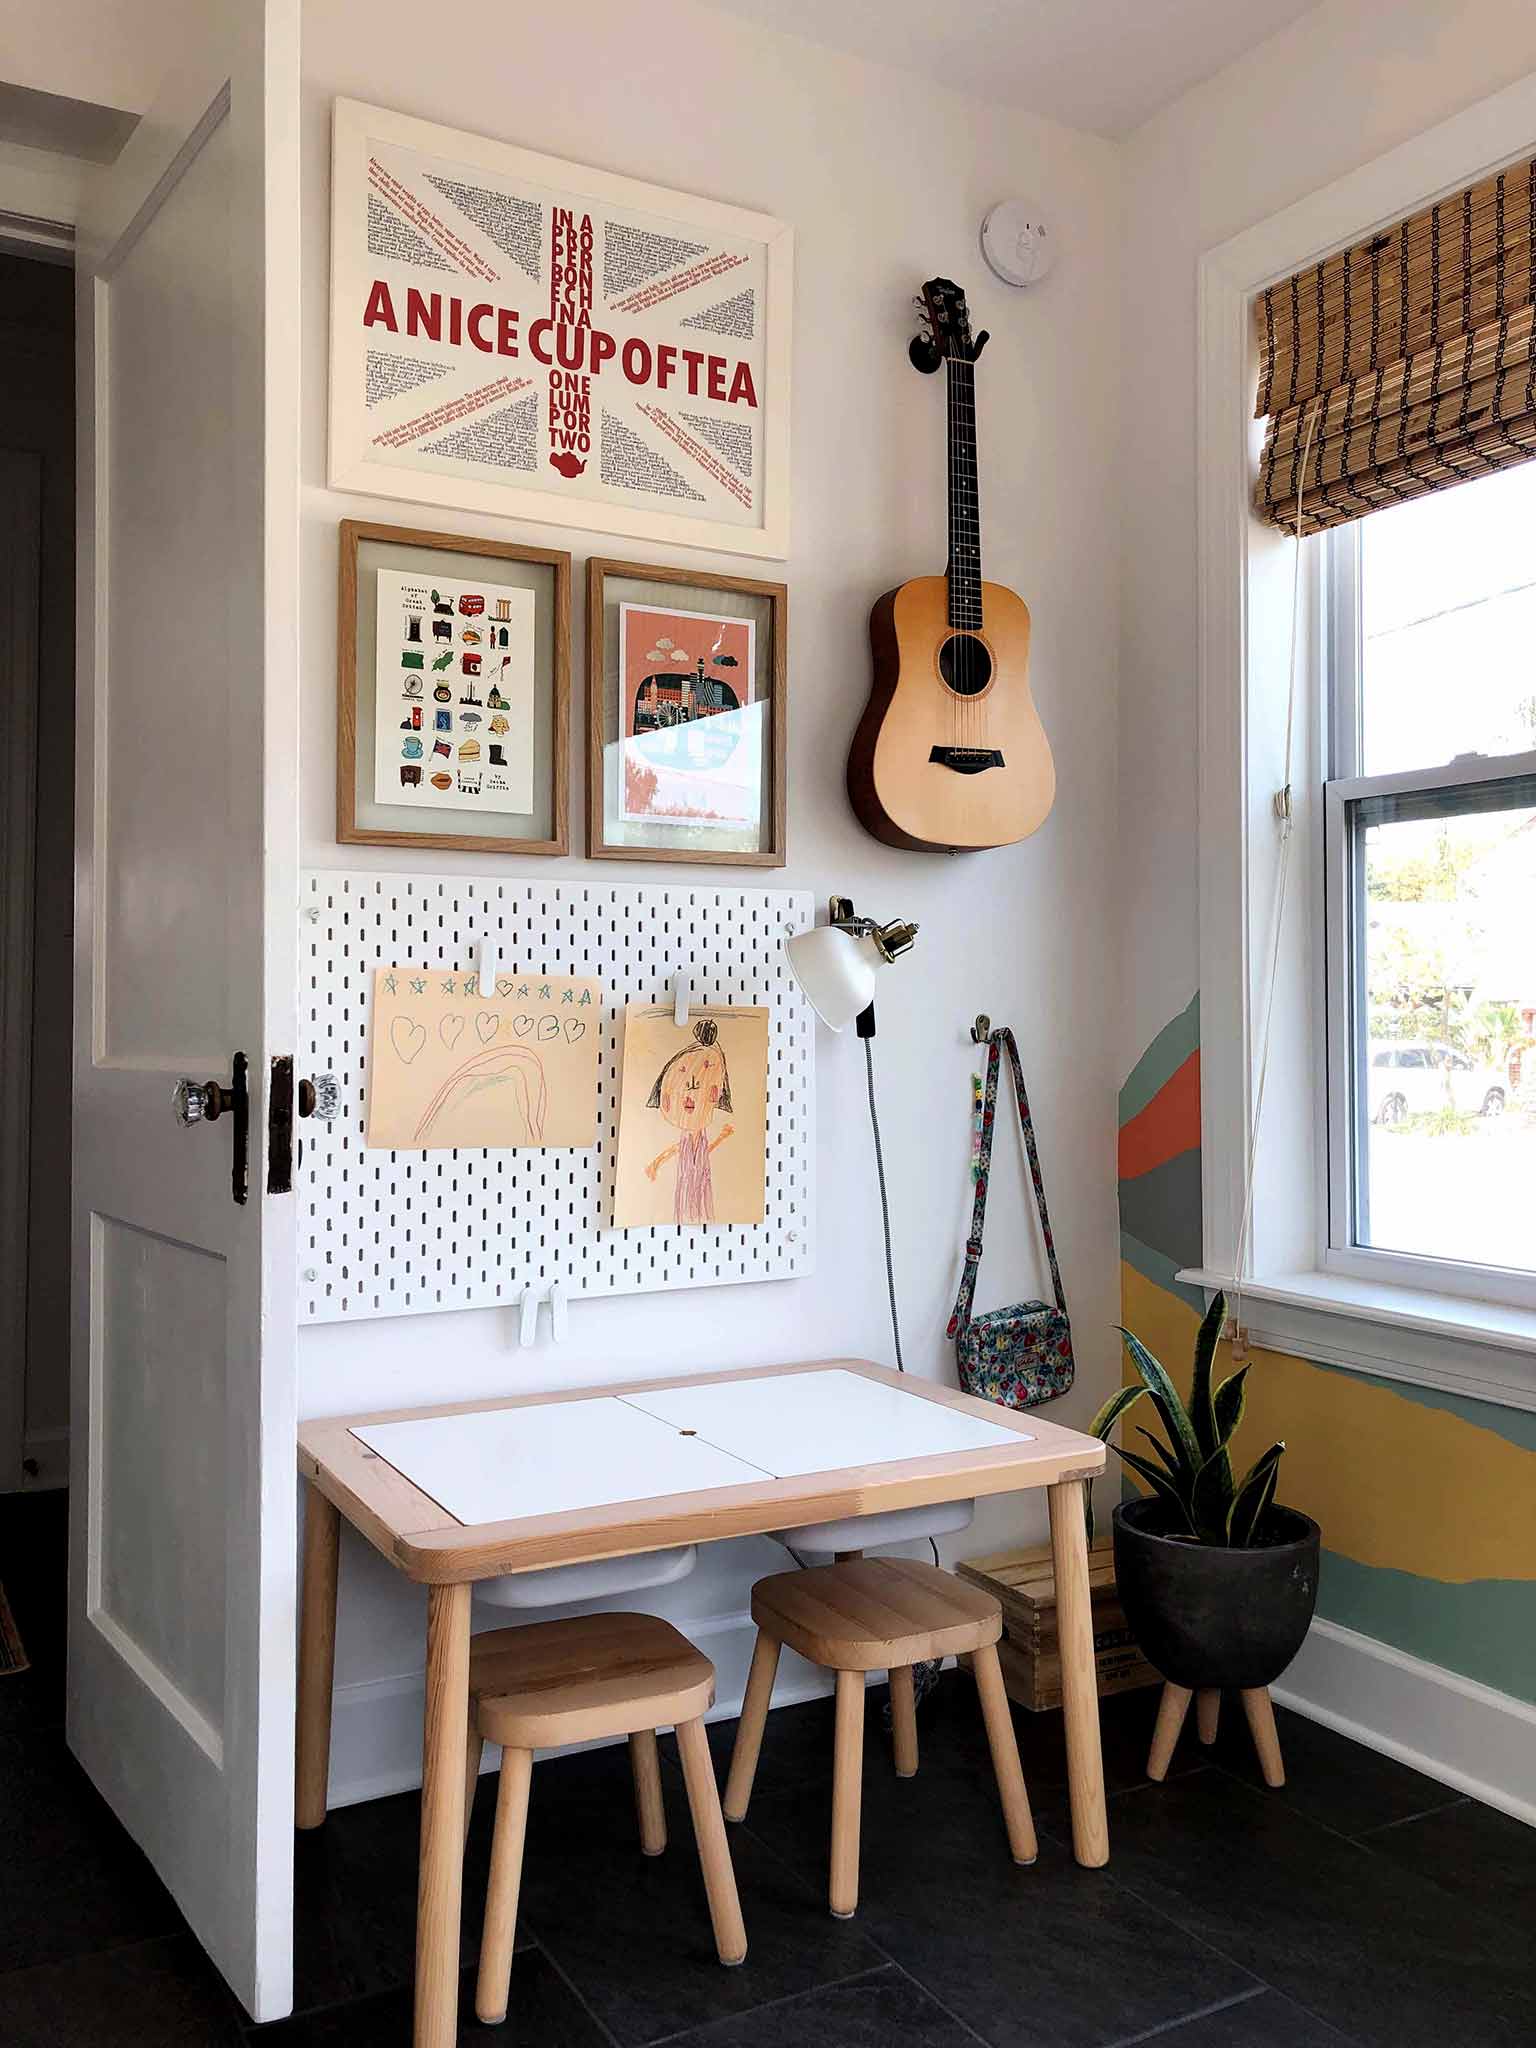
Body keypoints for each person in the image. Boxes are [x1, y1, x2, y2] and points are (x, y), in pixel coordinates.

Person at [644, 1018, 735, 1223]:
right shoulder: (692, 1134)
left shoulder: (707, 1059)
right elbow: (686, 1150)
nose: (692, 1089)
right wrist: (657, 1162)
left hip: (695, 1188)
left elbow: (694, 1152)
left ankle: (696, 1215)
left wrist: (657, 1162)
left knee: (695, 1192)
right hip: (689, 1189)